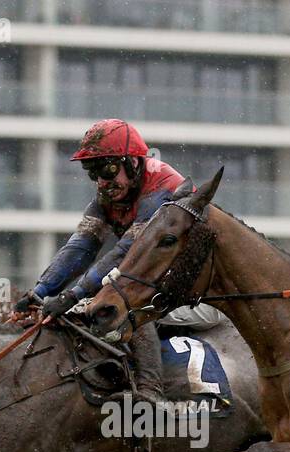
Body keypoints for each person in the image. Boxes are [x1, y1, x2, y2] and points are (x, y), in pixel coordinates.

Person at [15, 118, 189, 404]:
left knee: (127, 303)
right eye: (93, 172)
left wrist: (71, 295)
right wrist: (40, 291)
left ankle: (151, 393)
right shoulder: (110, 193)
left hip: (200, 291)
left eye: (107, 169)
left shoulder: (162, 189)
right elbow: (81, 247)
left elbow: (126, 253)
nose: (102, 182)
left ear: (133, 163)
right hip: (161, 282)